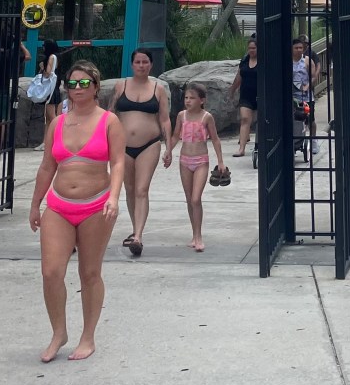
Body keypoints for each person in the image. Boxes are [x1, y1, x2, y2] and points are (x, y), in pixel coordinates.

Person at [29, 61, 124, 363]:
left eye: (85, 83)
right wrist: (35, 203)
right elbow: (47, 165)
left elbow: (119, 163)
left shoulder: (109, 122)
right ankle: (59, 332)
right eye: (73, 83)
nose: (78, 89)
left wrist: (114, 198)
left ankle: (88, 336)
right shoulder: (57, 123)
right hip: (59, 204)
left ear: (96, 87)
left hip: (96, 203)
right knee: (51, 271)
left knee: (89, 272)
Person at [111, 49, 172, 258]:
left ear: (151, 65)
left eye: (145, 62)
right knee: (128, 188)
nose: (141, 65)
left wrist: (169, 147)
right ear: (132, 64)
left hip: (150, 143)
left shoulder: (158, 89)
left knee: (142, 189)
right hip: (123, 145)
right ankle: (135, 226)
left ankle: (138, 236)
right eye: (137, 62)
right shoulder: (121, 86)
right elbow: (111, 114)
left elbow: (164, 119)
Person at [166, 84, 226, 252]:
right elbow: (175, 135)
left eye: (192, 98)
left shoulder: (206, 117)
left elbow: (215, 139)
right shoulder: (181, 116)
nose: (188, 101)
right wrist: (168, 151)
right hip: (184, 160)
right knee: (188, 199)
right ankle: (194, 234)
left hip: (201, 161)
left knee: (195, 199)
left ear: (202, 100)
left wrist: (220, 161)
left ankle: (199, 236)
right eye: (186, 98)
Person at [229, 37, 258, 158]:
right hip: (246, 95)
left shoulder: (264, 61)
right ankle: (241, 148)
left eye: (254, 48)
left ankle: (259, 145)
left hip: (260, 95)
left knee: (261, 122)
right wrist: (232, 90)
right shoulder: (245, 61)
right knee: (245, 119)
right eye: (250, 48)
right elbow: (239, 76)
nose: (251, 50)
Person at [292, 39, 318, 155]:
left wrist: (308, 85)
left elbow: (313, 76)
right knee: (294, 119)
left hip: (306, 96)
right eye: (296, 48)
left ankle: (313, 141)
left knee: (310, 119)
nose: (298, 50)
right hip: (293, 96)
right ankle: (295, 140)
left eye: (300, 48)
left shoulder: (307, 61)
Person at [34, 40, 61, 152]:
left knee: (51, 116)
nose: (43, 48)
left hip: (50, 89)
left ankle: (58, 139)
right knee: (49, 118)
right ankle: (46, 141)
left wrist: (42, 66)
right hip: (54, 88)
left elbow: (48, 73)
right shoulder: (57, 57)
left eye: (44, 46)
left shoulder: (51, 57)